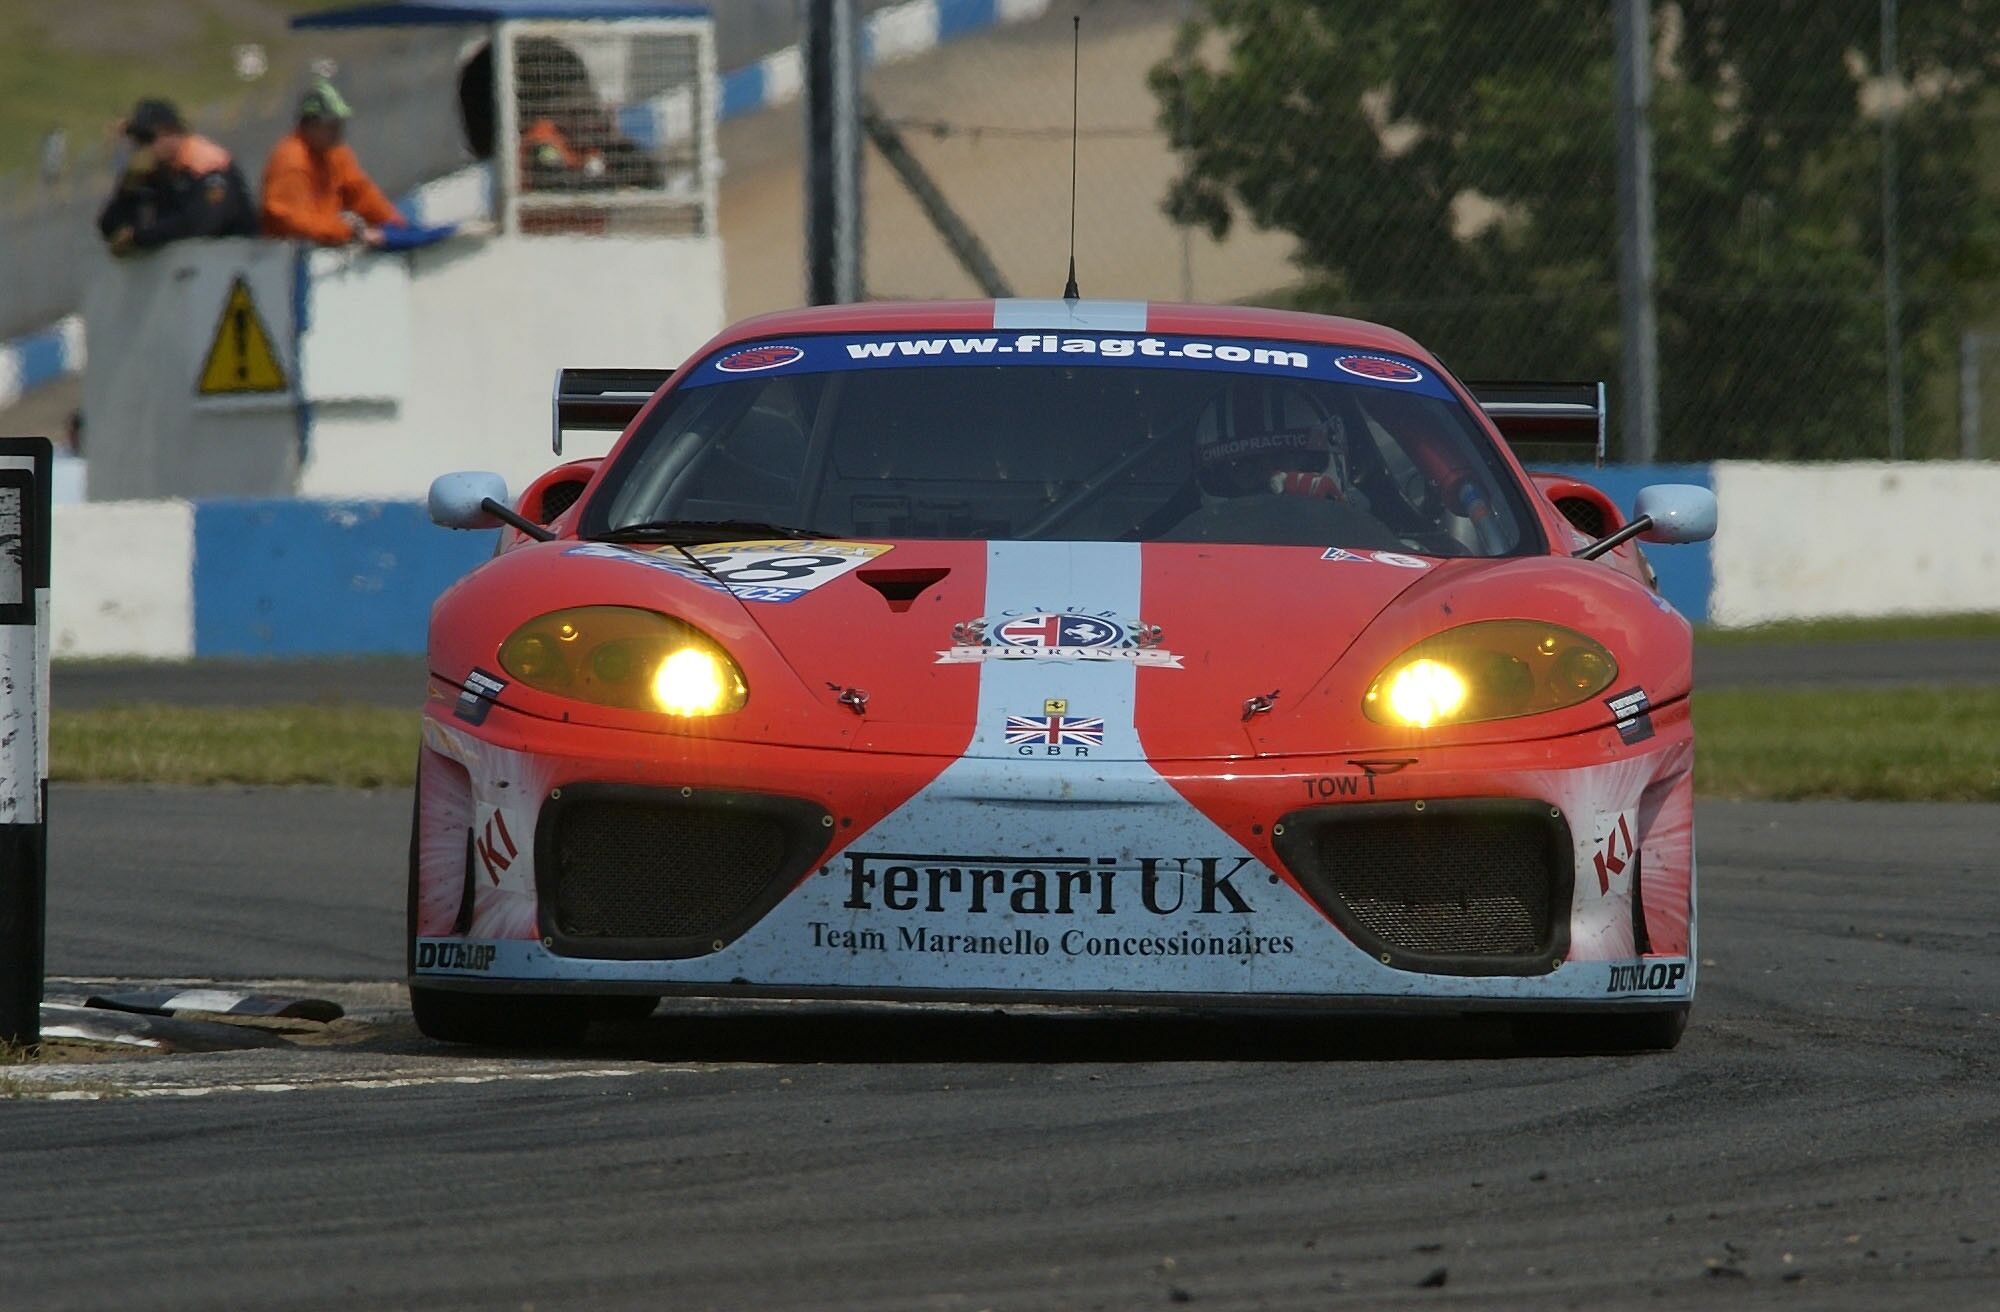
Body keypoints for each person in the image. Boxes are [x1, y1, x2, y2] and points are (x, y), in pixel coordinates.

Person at [95, 99, 256, 255]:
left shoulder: (206, 162)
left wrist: (138, 237)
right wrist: (128, 185)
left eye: (147, 138)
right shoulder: (152, 170)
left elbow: (202, 222)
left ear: (173, 133)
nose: (143, 147)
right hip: (184, 267)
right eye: (138, 140)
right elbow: (109, 226)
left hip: (234, 259)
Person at [259, 79, 405, 246]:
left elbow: (360, 192)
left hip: (328, 241)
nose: (339, 133)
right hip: (291, 254)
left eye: (339, 125)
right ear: (310, 125)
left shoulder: (335, 152)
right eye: (332, 126)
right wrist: (348, 231)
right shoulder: (291, 160)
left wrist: (394, 223)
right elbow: (290, 220)